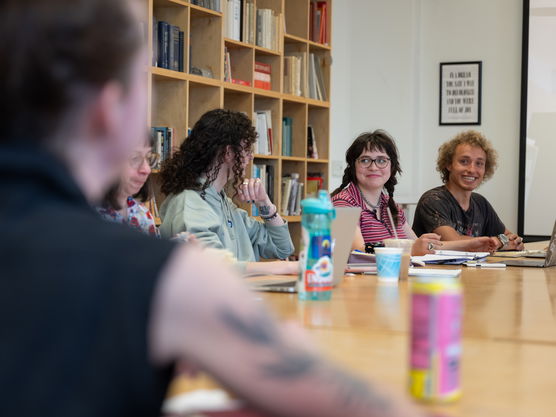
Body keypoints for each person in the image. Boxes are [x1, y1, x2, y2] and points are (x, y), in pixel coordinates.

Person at [0, 1, 426, 416]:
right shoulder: (158, 275)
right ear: (110, 108)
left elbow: (275, 245)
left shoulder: (208, 222)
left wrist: (269, 213)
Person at [159, 109, 297, 275]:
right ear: (228, 153)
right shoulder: (189, 204)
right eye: (246, 150)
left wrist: (264, 202)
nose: (250, 157)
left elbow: (282, 248)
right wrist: (283, 267)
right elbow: (212, 267)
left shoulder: (224, 203)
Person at [331, 130, 497, 255]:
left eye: (381, 160)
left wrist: (471, 245)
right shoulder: (343, 203)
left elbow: (420, 244)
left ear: (392, 166)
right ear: (353, 166)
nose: (374, 167)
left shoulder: (390, 205)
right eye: (365, 160)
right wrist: (410, 248)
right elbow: (358, 251)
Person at [412, 130, 524, 251]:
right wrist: (498, 242)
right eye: (464, 161)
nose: (472, 169)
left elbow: (512, 239)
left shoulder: (480, 203)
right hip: (440, 269)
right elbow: (455, 242)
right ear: (449, 164)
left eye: (479, 163)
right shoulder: (432, 200)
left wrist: (504, 242)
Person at [97, 135, 160, 237]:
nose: (147, 169)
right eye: (135, 158)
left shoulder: (143, 216)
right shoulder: (86, 216)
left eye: (149, 158)